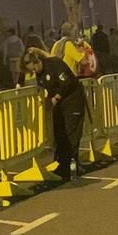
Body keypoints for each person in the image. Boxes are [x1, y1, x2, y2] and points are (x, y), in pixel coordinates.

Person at [21, 48, 85, 181]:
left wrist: (56, 97)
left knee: (71, 133)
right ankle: (63, 164)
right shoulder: (40, 74)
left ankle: (71, 165)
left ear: (37, 61)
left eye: (33, 69)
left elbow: (67, 82)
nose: (34, 72)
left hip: (72, 100)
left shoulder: (55, 64)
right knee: (59, 133)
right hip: (59, 105)